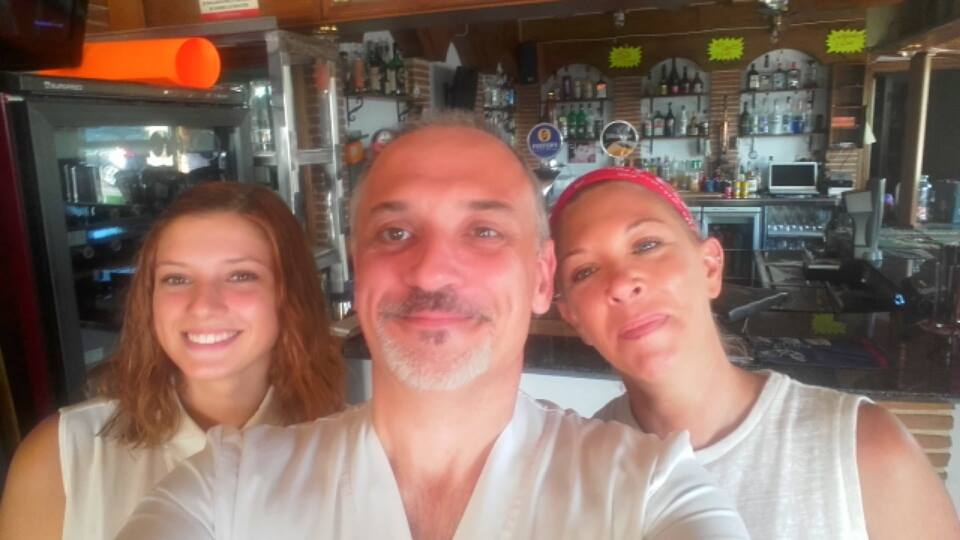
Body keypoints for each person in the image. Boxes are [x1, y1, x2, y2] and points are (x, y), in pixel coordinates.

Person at [116, 114, 749, 539]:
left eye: (484, 231)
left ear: (540, 278)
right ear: (359, 272)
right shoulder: (228, 484)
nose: (432, 268)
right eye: (395, 233)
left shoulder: (649, 492)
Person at [549, 166, 960, 539]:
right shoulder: (572, 474)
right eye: (585, 271)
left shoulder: (863, 450)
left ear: (710, 267)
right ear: (573, 317)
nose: (622, 284)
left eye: (646, 244)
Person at [0, 182, 345, 540]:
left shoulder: (352, 453)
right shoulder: (60, 459)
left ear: (290, 294)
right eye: (176, 279)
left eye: (241, 275)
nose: (203, 305)